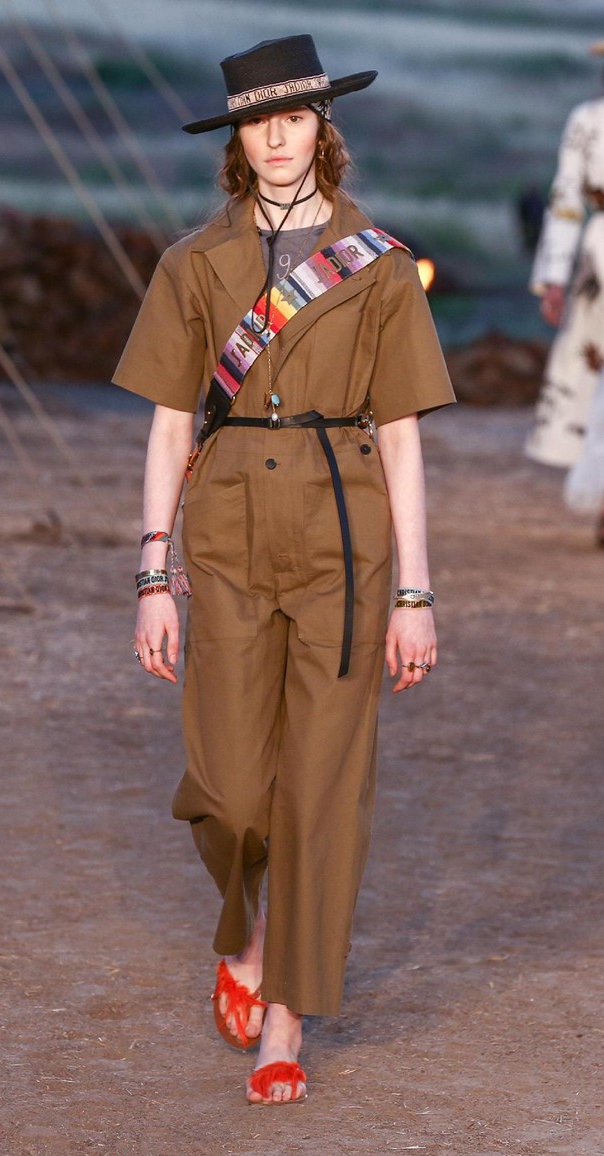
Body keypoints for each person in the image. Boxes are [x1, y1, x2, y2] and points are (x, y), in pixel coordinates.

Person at [113, 35, 454, 1105]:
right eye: (257, 120)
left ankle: (284, 1014)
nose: (275, 136)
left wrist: (415, 593)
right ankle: (248, 928)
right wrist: (150, 572)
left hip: (344, 541)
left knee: (322, 786)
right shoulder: (190, 265)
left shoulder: (381, 267)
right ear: (235, 138)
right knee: (223, 786)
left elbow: (399, 435)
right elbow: (172, 426)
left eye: (294, 117)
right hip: (222, 533)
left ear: (321, 129)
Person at [525, 38, 604, 545]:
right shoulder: (587, 121)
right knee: (595, 367)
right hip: (600, 259)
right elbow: (566, 202)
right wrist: (553, 275)